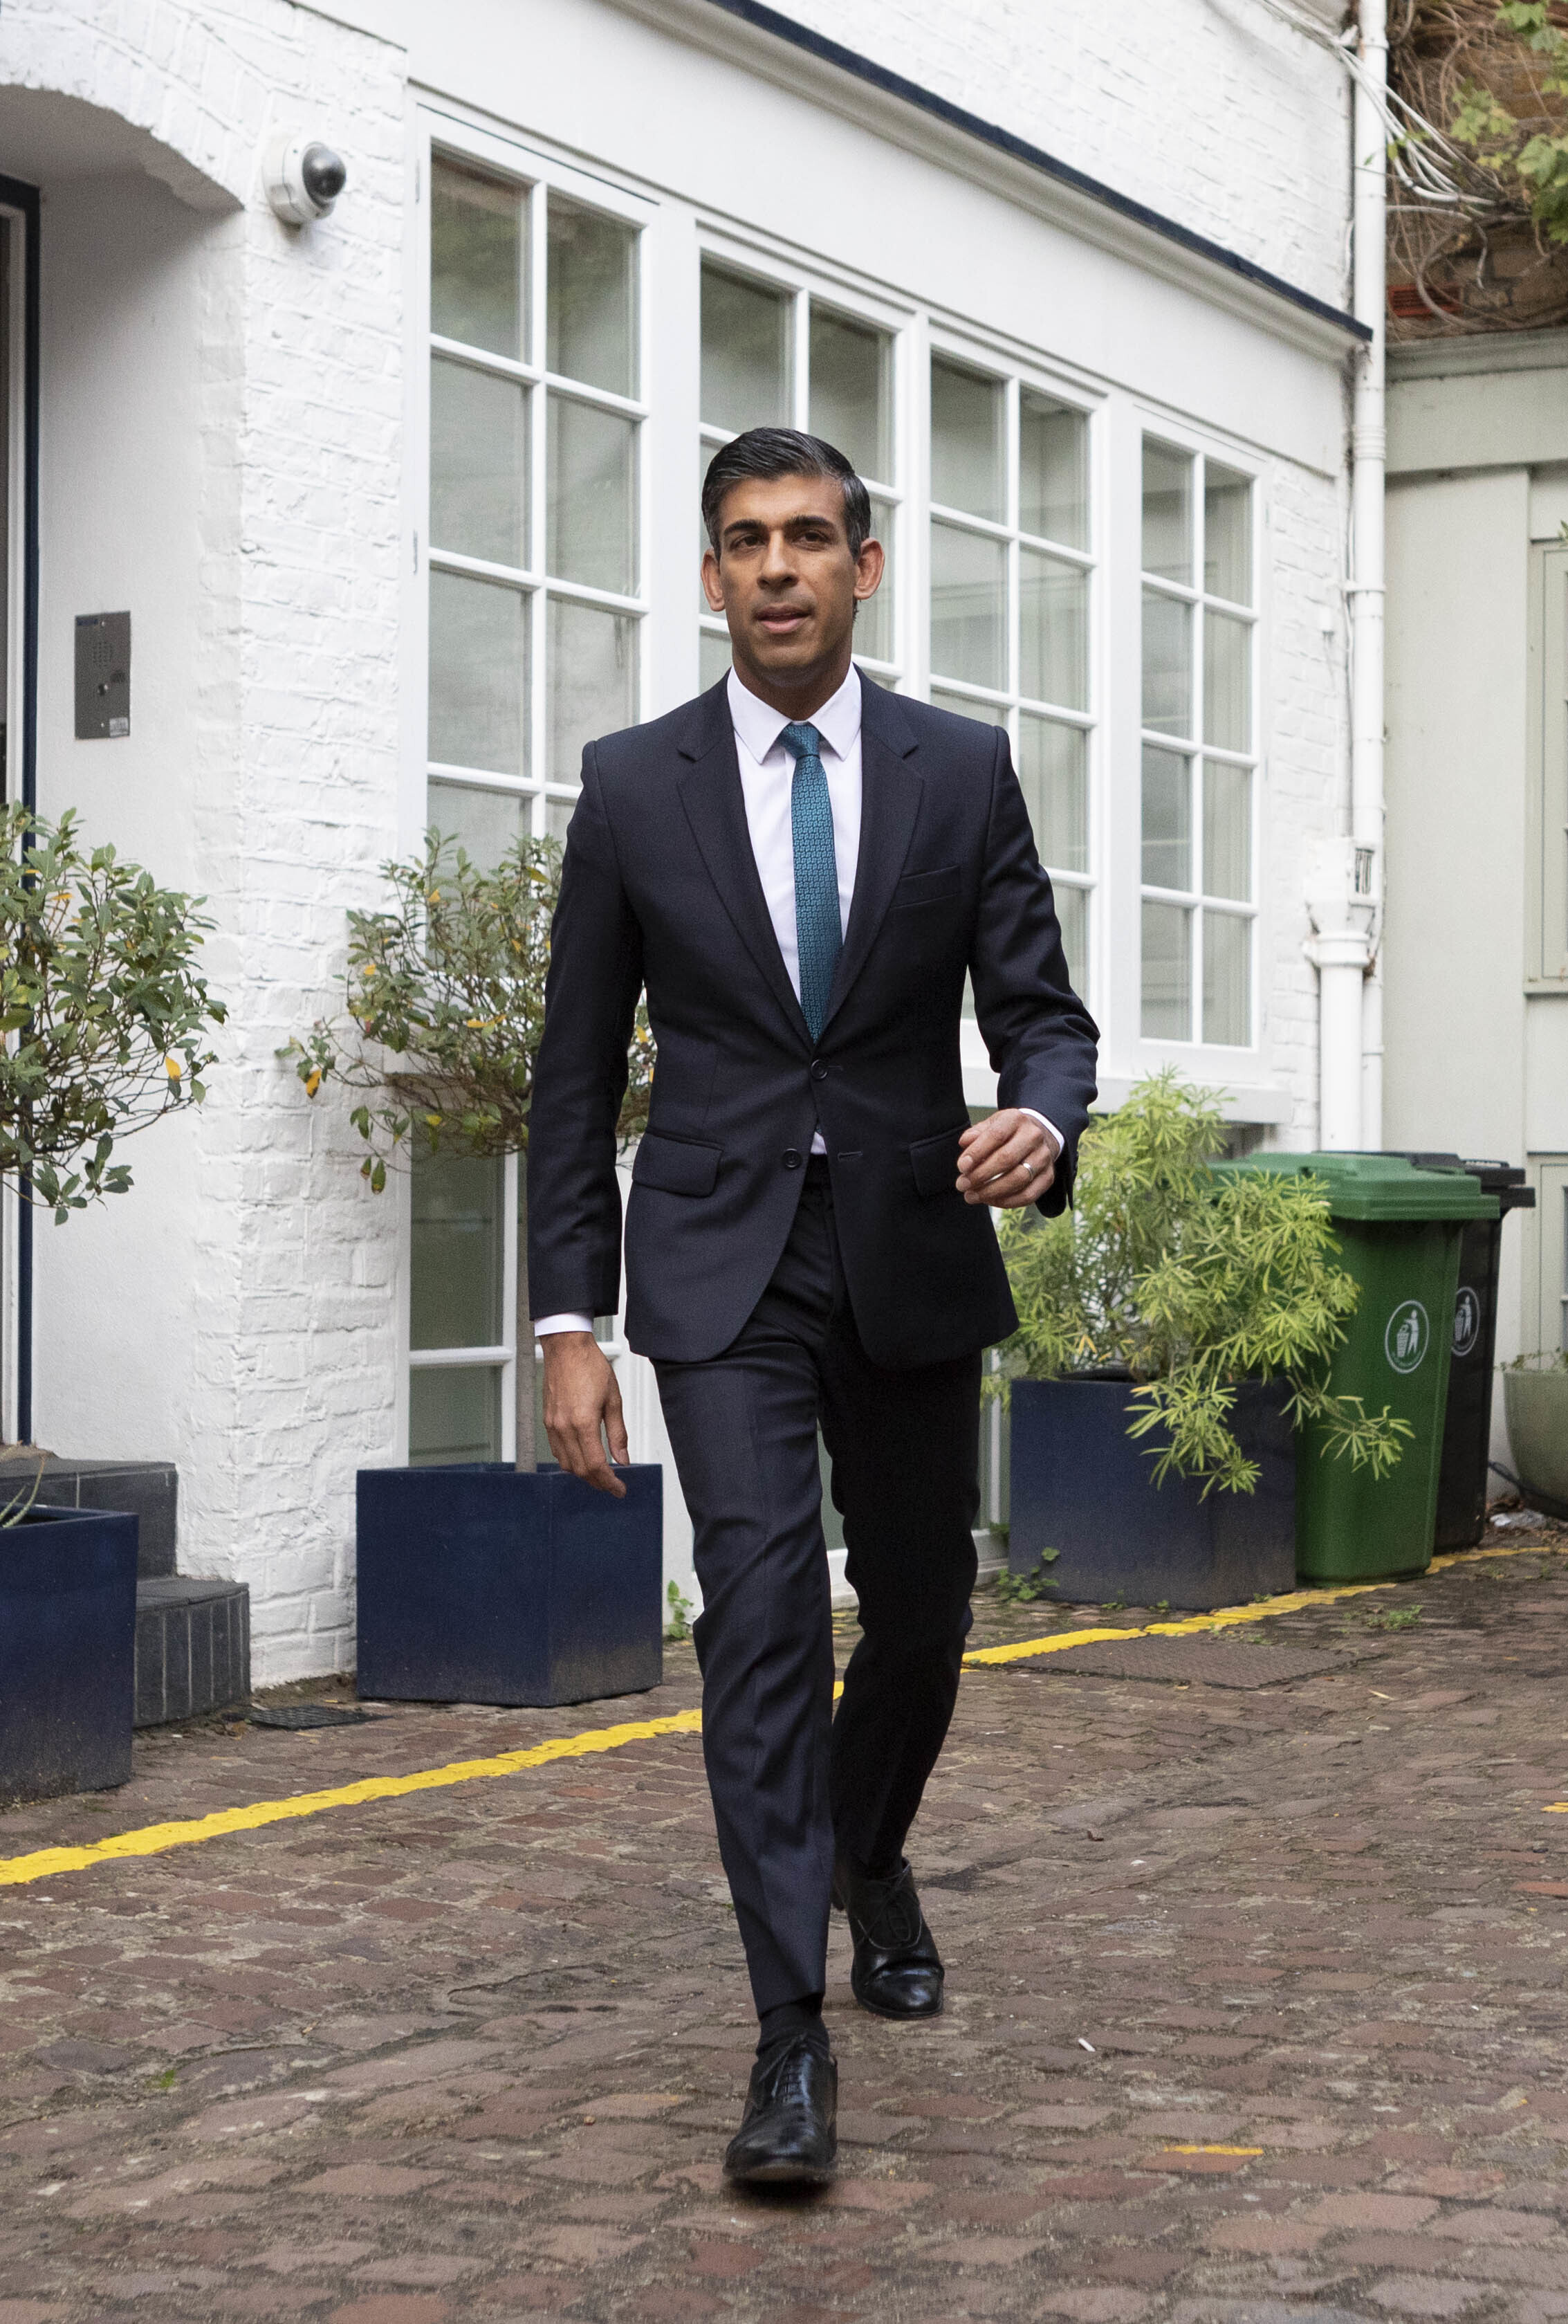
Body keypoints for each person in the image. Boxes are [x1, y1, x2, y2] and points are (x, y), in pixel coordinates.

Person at [523, 427, 1098, 2186]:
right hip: (718, 1267)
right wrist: (569, 1324)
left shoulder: (957, 771)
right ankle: (788, 2042)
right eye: (743, 541)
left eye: (808, 537)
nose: (775, 566)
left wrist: (1043, 1120)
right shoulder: (634, 788)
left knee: (922, 1616)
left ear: (866, 564)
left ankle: (869, 1849)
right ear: (710, 577)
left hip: (911, 1254)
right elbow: (569, 1079)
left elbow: (1045, 1014)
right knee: (764, 1618)